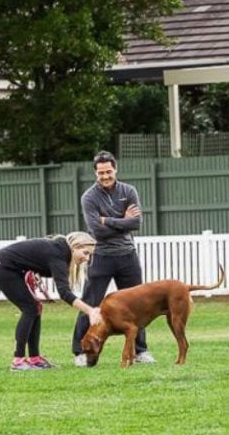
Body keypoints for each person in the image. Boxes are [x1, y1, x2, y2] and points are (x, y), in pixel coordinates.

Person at [71, 150, 155, 366]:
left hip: (128, 256)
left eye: (108, 171)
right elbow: (96, 232)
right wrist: (122, 221)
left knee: (137, 305)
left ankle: (140, 350)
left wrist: (106, 220)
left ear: (115, 169)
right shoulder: (89, 197)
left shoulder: (129, 191)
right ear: (95, 173)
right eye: (101, 173)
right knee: (90, 303)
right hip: (101, 256)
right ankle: (80, 351)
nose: (105, 176)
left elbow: (136, 224)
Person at [0, 232, 102, 371]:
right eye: (85, 253)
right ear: (75, 247)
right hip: (1, 267)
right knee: (29, 309)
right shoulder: (58, 254)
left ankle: (35, 359)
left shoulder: (61, 251)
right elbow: (64, 293)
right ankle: (18, 361)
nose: (87, 258)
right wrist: (90, 311)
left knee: (35, 308)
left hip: (11, 268)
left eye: (90, 255)